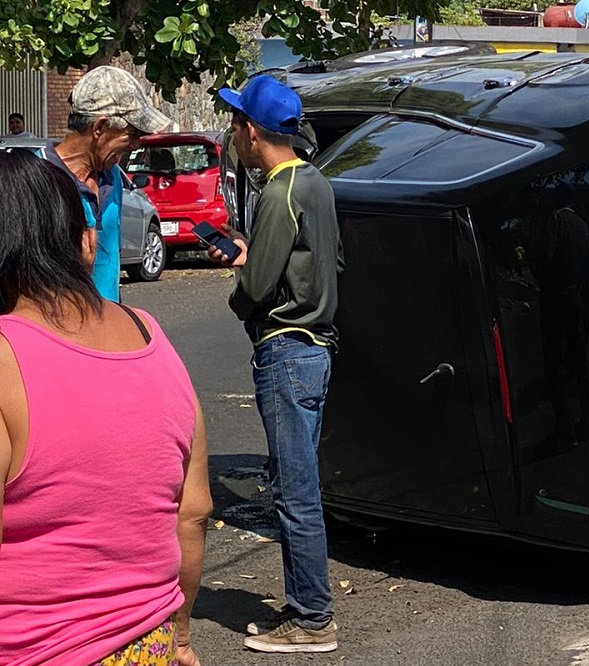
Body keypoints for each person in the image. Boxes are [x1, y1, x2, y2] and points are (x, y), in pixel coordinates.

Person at [0, 149, 212, 665]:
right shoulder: (150, 335)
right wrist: (182, 636)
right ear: (84, 241)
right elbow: (193, 511)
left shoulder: (6, 358)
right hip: (149, 645)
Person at [208, 75, 342, 653]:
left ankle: (312, 618)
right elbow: (319, 262)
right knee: (299, 483)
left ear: (252, 131)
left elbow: (258, 287)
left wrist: (241, 284)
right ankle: (307, 608)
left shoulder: (278, 190)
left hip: (286, 349)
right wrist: (252, 253)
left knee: (293, 490)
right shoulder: (314, 181)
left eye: (235, 123)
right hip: (316, 348)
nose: (233, 134)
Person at [39, 65, 171, 302]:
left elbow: (110, 265)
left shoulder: (113, 177)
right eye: (132, 133)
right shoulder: (34, 180)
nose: (137, 144)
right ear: (99, 128)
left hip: (107, 320)